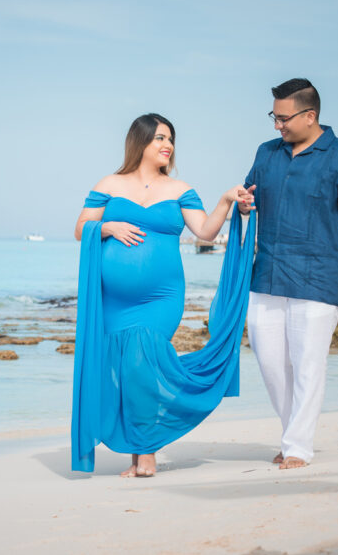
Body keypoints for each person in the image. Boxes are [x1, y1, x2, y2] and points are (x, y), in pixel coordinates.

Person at [71, 113, 256, 477]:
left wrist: (224, 201)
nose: (167, 145)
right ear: (139, 142)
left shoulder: (179, 189)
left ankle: (148, 453)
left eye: (170, 138)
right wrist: (107, 226)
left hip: (161, 297)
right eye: (158, 138)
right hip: (114, 301)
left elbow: (204, 231)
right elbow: (80, 229)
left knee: (141, 358)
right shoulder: (110, 184)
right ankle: (139, 453)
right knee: (126, 369)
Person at [237, 79, 338, 470]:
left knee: (308, 365)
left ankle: (298, 448)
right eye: (274, 116)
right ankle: (292, 436)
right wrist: (241, 206)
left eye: (283, 118)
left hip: (318, 280)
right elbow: (248, 200)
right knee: (271, 365)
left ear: (310, 116)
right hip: (266, 276)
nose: (277, 125)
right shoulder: (266, 153)